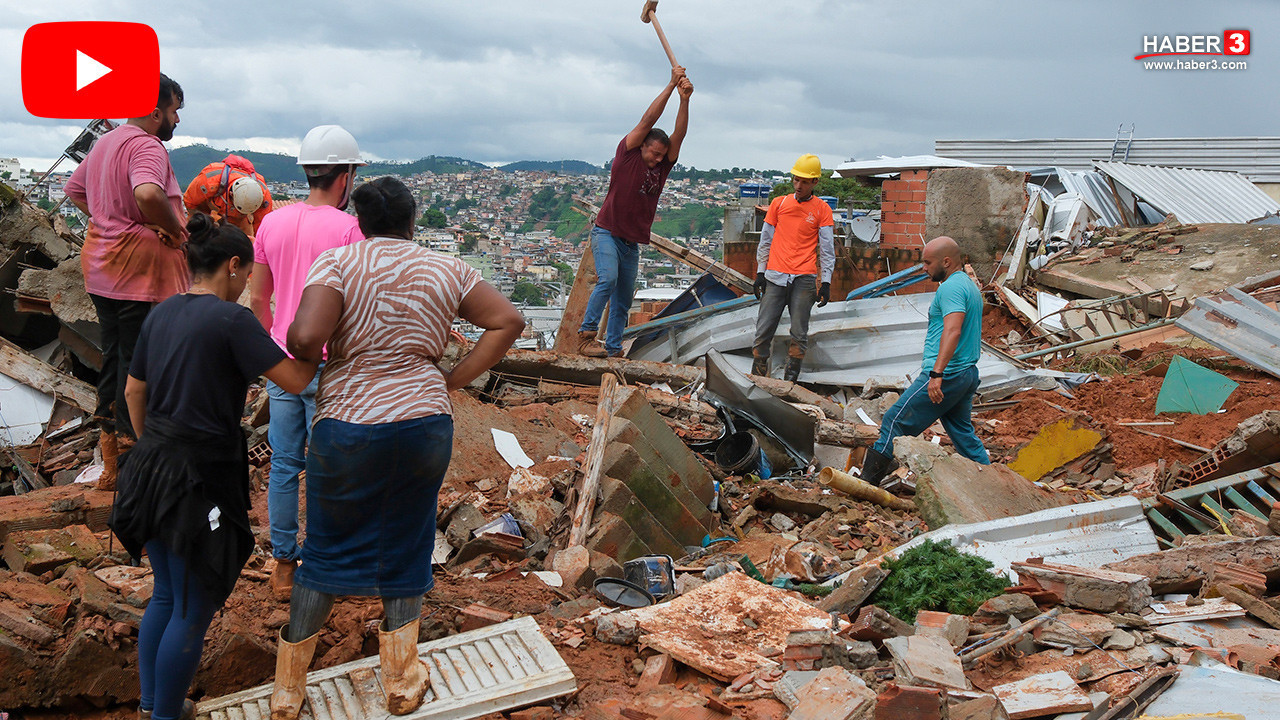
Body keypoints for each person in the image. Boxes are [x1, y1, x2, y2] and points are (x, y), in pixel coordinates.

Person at [270, 177, 525, 719]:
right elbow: (509, 320)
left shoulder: (337, 263)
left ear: (359, 221)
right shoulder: (447, 268)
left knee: (326, 548)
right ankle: (402, 682)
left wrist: (326, 342)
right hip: (423, 422)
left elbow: (303, 340)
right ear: (413, 220)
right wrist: (453, 378)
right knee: (408, 541)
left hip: (348, 423)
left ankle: (288, 691)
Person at [108, 214, 318, 720]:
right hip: (198, 478)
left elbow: (134, 391)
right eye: (246, 273)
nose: (248, 283)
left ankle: (154, 706)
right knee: (194, 604)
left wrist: (153, 446)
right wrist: (317, 341)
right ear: (231, 265)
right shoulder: (232, 321)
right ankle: (163, 717)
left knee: (167, 592)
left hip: (148, 467)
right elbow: (291, 379)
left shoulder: (161, 314)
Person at [249, 125, 366, 601]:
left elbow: (259, 299)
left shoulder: (270, 222)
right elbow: (357, 302)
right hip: (330, 363)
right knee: (328, 466)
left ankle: (282, 564)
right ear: (344, 177)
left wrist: (269, 352)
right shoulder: (348, 230)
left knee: (283, 464)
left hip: (281, 362)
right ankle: (323, 560)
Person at [64, 73, 189, 490]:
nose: (175, 120)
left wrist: (109, 220)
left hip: (102, 265)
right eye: (174, 111)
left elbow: (73, 188)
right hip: (135, 271)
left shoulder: (106, 141)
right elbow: (150, 195)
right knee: (138, 363)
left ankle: (111, 461)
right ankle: (134, 460)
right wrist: (173, 231)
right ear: (155, 112)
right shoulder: (146, 145)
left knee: (115, 356)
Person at [577, 66, 692, 358]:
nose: (657, 160)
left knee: (624, 300)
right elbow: (648, 119)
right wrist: (669, 85)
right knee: (608, 280)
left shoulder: (663, 166)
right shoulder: (627, 155)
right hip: (608, 232)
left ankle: (613, 349)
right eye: (653, 153)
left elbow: (679, 134)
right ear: (642, 146)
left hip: (631, 242)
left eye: (661, 156)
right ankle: (586, 335)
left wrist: (685, 100)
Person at [860, 236, 991, 485]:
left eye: (928, 263)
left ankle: (866, 486)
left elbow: (953, 330)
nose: (924, 268)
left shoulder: (951, 288)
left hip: (948, 373)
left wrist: (936, 374)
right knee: (962, 433)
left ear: (947, 261)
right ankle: (992, 482)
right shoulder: (968, 285)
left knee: (893, 421)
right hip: (966, 373)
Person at [751, 153, 835, 381]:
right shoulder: (779, 204)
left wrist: (826, 282)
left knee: (799, 333)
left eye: (805, 181)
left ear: (815, 182)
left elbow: (827, 249)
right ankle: (757, 379)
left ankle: (790, 382)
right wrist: (760, 272)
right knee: (763, 331)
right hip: (775, 277)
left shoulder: (822, 210)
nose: (799, 185)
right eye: (796, 180)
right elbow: (765, 240)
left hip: (804, 278)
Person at [182, 154, 273, 237]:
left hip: (241, 223)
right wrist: (203, 223)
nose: (240, 212)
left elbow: (261, 228)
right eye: (239, 210)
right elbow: (190, 202)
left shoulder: (264, 197)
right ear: (231, 194)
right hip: (209, 215)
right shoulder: (209, 181)